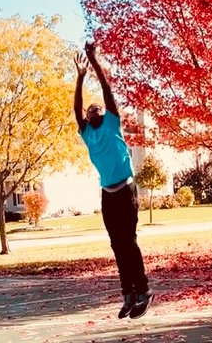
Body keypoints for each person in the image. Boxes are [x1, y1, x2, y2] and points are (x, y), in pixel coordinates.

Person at [73, 42, 153, 319]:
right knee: (116, 244)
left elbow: (106, 90)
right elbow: (76, 107)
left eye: (99, 109)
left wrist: (93, 62)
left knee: (128, 241)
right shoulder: (87, 133)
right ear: (87, 117)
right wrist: (80, 77)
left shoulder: (111, 122)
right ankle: (128, 293)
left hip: (126, 189)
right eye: (90, 110)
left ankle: (143, 290)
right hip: (107, 194)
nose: (95, 110)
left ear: (105, 114)